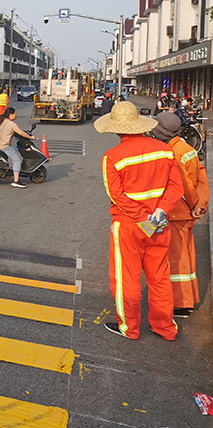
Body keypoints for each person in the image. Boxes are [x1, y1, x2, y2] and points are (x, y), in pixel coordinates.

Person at [95, 101, 184, 340]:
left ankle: (130, 328)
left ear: (116, 128)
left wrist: (142, 217)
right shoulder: (165, 150)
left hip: (129, 225)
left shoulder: (112, 157)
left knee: (127, 278)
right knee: (159, 277)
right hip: (158, 224)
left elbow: (116, 195)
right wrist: (160, 212)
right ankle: (164, 327)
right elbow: (177, 188)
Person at [150, 112, 209, 318]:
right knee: (187, 257)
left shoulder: (172, 154)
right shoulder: (187, 149)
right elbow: (201, 177)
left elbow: (182, 186)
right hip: (186, 213)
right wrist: (200, 205)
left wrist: (193, 204)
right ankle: (188, 298)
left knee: (176, 260)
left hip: (176, 213)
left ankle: (181, 304)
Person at [0, 107, 34, 188]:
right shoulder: (11, 124)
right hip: (4, 146)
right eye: (15, 113)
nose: (16, 115)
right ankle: (16, 181)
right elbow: (21, 133)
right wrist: (31, 137)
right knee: (17, 161)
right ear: (11, 115)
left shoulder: (1, 121)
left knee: (14, 149)